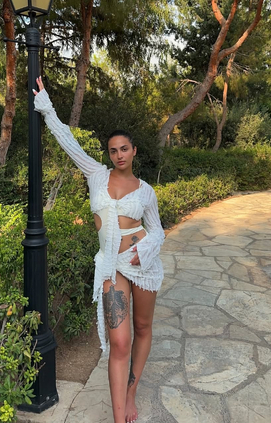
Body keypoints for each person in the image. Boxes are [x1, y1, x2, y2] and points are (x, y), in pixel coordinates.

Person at [33, 77, 164, 423]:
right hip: (110, 267)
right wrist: (46, 106)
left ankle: (131, 391)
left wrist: (147, 248)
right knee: (120, 342)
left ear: (134, 151)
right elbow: (68, 141)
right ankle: (120, 418)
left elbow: (157, 230)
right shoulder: (96, 175)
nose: (119, 155)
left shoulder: (146, 191)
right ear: (109, 154)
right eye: (113, 150)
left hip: (143, 266)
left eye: (124, 149)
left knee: (142, 328)